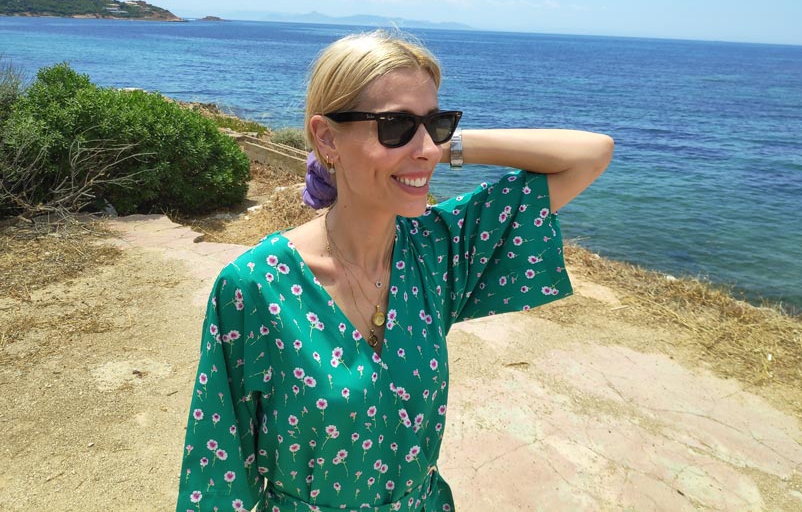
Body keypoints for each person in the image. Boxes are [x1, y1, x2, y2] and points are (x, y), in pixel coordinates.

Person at [176, 31, 613, 512]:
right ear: (327, 137)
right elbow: (218, 473)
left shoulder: (436, 250)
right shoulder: (255, 287)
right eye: (395, 125)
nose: (425, 148)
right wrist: (413, 149)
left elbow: (590, 154)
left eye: (436, 123)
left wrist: (433, 147)